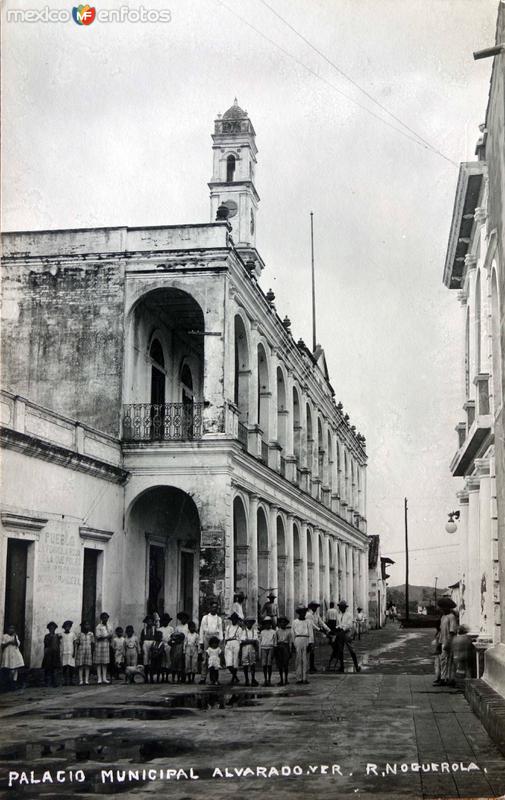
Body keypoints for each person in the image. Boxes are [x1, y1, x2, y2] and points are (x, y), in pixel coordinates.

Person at [199, 601, 223, 684]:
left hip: (216, 638)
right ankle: (203, 678)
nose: (214, 609)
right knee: (205, 658)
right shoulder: (205, 618)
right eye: (213, 607)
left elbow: (220, 630)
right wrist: (201, 642)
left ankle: (215, 678)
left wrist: (220, 642)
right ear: (210, 608)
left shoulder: (219, 619)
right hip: (207, 638)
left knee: (215, 659)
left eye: (216, 607)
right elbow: (201, 630)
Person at [335, 600, 360, 673]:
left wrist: (343, 629)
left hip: (347, 633)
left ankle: (356, 666)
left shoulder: (349, 615)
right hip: (340, 633)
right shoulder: (338, 615)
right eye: (340, 607)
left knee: (351, 650)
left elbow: (349, 625)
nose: (341, 608)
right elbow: (338, 624)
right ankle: (341, 666)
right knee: (340, 650)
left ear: (345, 607)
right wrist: (338, 628)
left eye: (342, 607)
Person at [307, 601, 330, 672]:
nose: (316, 608)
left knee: (312, 650)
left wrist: (328, 629)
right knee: (309, 649)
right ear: (311, 607)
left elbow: (321, 622)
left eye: (316, 607)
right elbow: (311, 625)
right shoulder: (308, 615)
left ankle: (312, 666)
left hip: (314, 633)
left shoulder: (316, 614)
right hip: (308, 633)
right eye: (314, 607)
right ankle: (309, 666)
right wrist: (319, 629)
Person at [439, 600, 458, 686]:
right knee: (443, 660)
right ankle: (443, 678)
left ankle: (448, 679)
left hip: (449, 642)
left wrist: (448, 643)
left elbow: (452, 631)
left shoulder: (451, 617)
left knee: (449, 661)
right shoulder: (443, 617)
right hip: (443, 641)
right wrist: (440, 642)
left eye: (443, 607)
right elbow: (441, 630)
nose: (441, 609)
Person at [224, 612, 244, 685]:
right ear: (231, 620)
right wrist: (225, 645)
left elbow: (240, 640)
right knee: (228, 664)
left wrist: (240, 649)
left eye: (235, 619)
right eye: (233, 619)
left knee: (235, 662)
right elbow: (225, 638)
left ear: (237, 620)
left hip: (236, 643)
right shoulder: (228, 627)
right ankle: (235, 677)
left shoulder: (239, 629)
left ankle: (233, 678)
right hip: (228, 643)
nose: (234, 621)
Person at [292, 607, 310, 684]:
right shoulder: (294, 622)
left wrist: (310, 643)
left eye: (304, 612)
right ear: (299, 613)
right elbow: (293, 633)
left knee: (305, 659)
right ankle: (299, 678)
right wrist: (293, 643)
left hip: (306, 639)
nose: (303, 614)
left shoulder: (308, 622)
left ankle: (305, 678)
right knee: (298, 659)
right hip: (298, 639)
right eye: (301, 612)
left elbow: (310, 633)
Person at [240, 617, 259, 686]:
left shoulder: (255, 631)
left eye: (250, 622)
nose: (249, 624)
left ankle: (253, 679)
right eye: (247, 622)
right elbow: (242, 641)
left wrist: (248, 641)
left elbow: (255, 640)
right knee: (245, 664)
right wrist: (250, 641)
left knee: (252, 664)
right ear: (245, 623)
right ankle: (246, 679)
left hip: (252, 648)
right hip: (245, 649)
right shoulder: (243, 631)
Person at [274, 616, 293, 686]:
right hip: (279, 647)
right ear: (280, 623)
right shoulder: (277, 631)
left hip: (286, 647)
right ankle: (281, 679)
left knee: (286, 664)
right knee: (280, 665)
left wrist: (290, 651)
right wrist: (275, 649)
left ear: (286, 623)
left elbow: (290, 642)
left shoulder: (289, 632)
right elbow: (275, 641)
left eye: (284, 622)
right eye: (281, 622)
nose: (283, 624)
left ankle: (286, 679)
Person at [94, 612, 112, 684]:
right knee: (99, 662)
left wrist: (108, 637)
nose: (105, 619)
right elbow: (98, 637)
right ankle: (99, 678)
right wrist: (106, 636)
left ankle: (104, 678)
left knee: (105, 662)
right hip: (99, 645)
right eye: (104, 618)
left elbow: (111, 635)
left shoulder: (109, 626)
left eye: (106, 617)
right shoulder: (98, 627)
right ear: (101, 618)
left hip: (106, 645)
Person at [42, 622, 61, 687]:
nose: (52, 629)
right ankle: (46, 682)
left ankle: (54, 682)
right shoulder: (47, 636)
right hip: (48, 654)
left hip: (55, 654)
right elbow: (46, 644)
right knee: (47, 669)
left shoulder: (57, 636)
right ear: (48, 629)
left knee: (54, 668)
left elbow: (58, 646)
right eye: (50, 628)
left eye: (53, 628)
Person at [75, 621, 94, 685]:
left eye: (88, 625)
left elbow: (92, 643)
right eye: (85, 625)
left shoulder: (91, 634)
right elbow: (77, 643)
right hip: (81, 650)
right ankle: (81, 680)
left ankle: (86, 680)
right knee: (81, 666)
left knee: (87, 666)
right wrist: (76, 652)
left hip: (88, 650)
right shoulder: (79, 634)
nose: (87, 626)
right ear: (82, 626)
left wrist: (92, 651)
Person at [60, 620, 76, 686]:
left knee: (71, 667)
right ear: (64, 627)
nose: (67, 628)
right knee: (64, 667)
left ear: (70, 627)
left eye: (69, 626)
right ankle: (65, 681)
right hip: (64, 653)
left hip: (71, 653)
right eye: (66, 626)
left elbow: (74, 644)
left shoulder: (73, 634)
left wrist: (74, 652)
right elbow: (60, 643)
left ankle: (71, 680)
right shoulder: (61, 635)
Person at [158, 613, 174, 681]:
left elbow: (173, 637)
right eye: (164, 620)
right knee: (162, 662)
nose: (165, 622)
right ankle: (162, 677)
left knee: (168, 661)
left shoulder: (171, 629)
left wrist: (171, 643)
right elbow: (158, 638)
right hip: (161, 645)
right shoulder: (159, 629)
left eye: (166, 621)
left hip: (169, 645)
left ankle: (167, 677)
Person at [431, 619, 442, 686]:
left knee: (438, 665)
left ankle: (439, 678)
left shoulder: (440, 633)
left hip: (439, 650)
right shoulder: (439, 632)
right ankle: (438, 678)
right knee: (437, 665)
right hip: (438, 650)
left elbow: (439, 642)